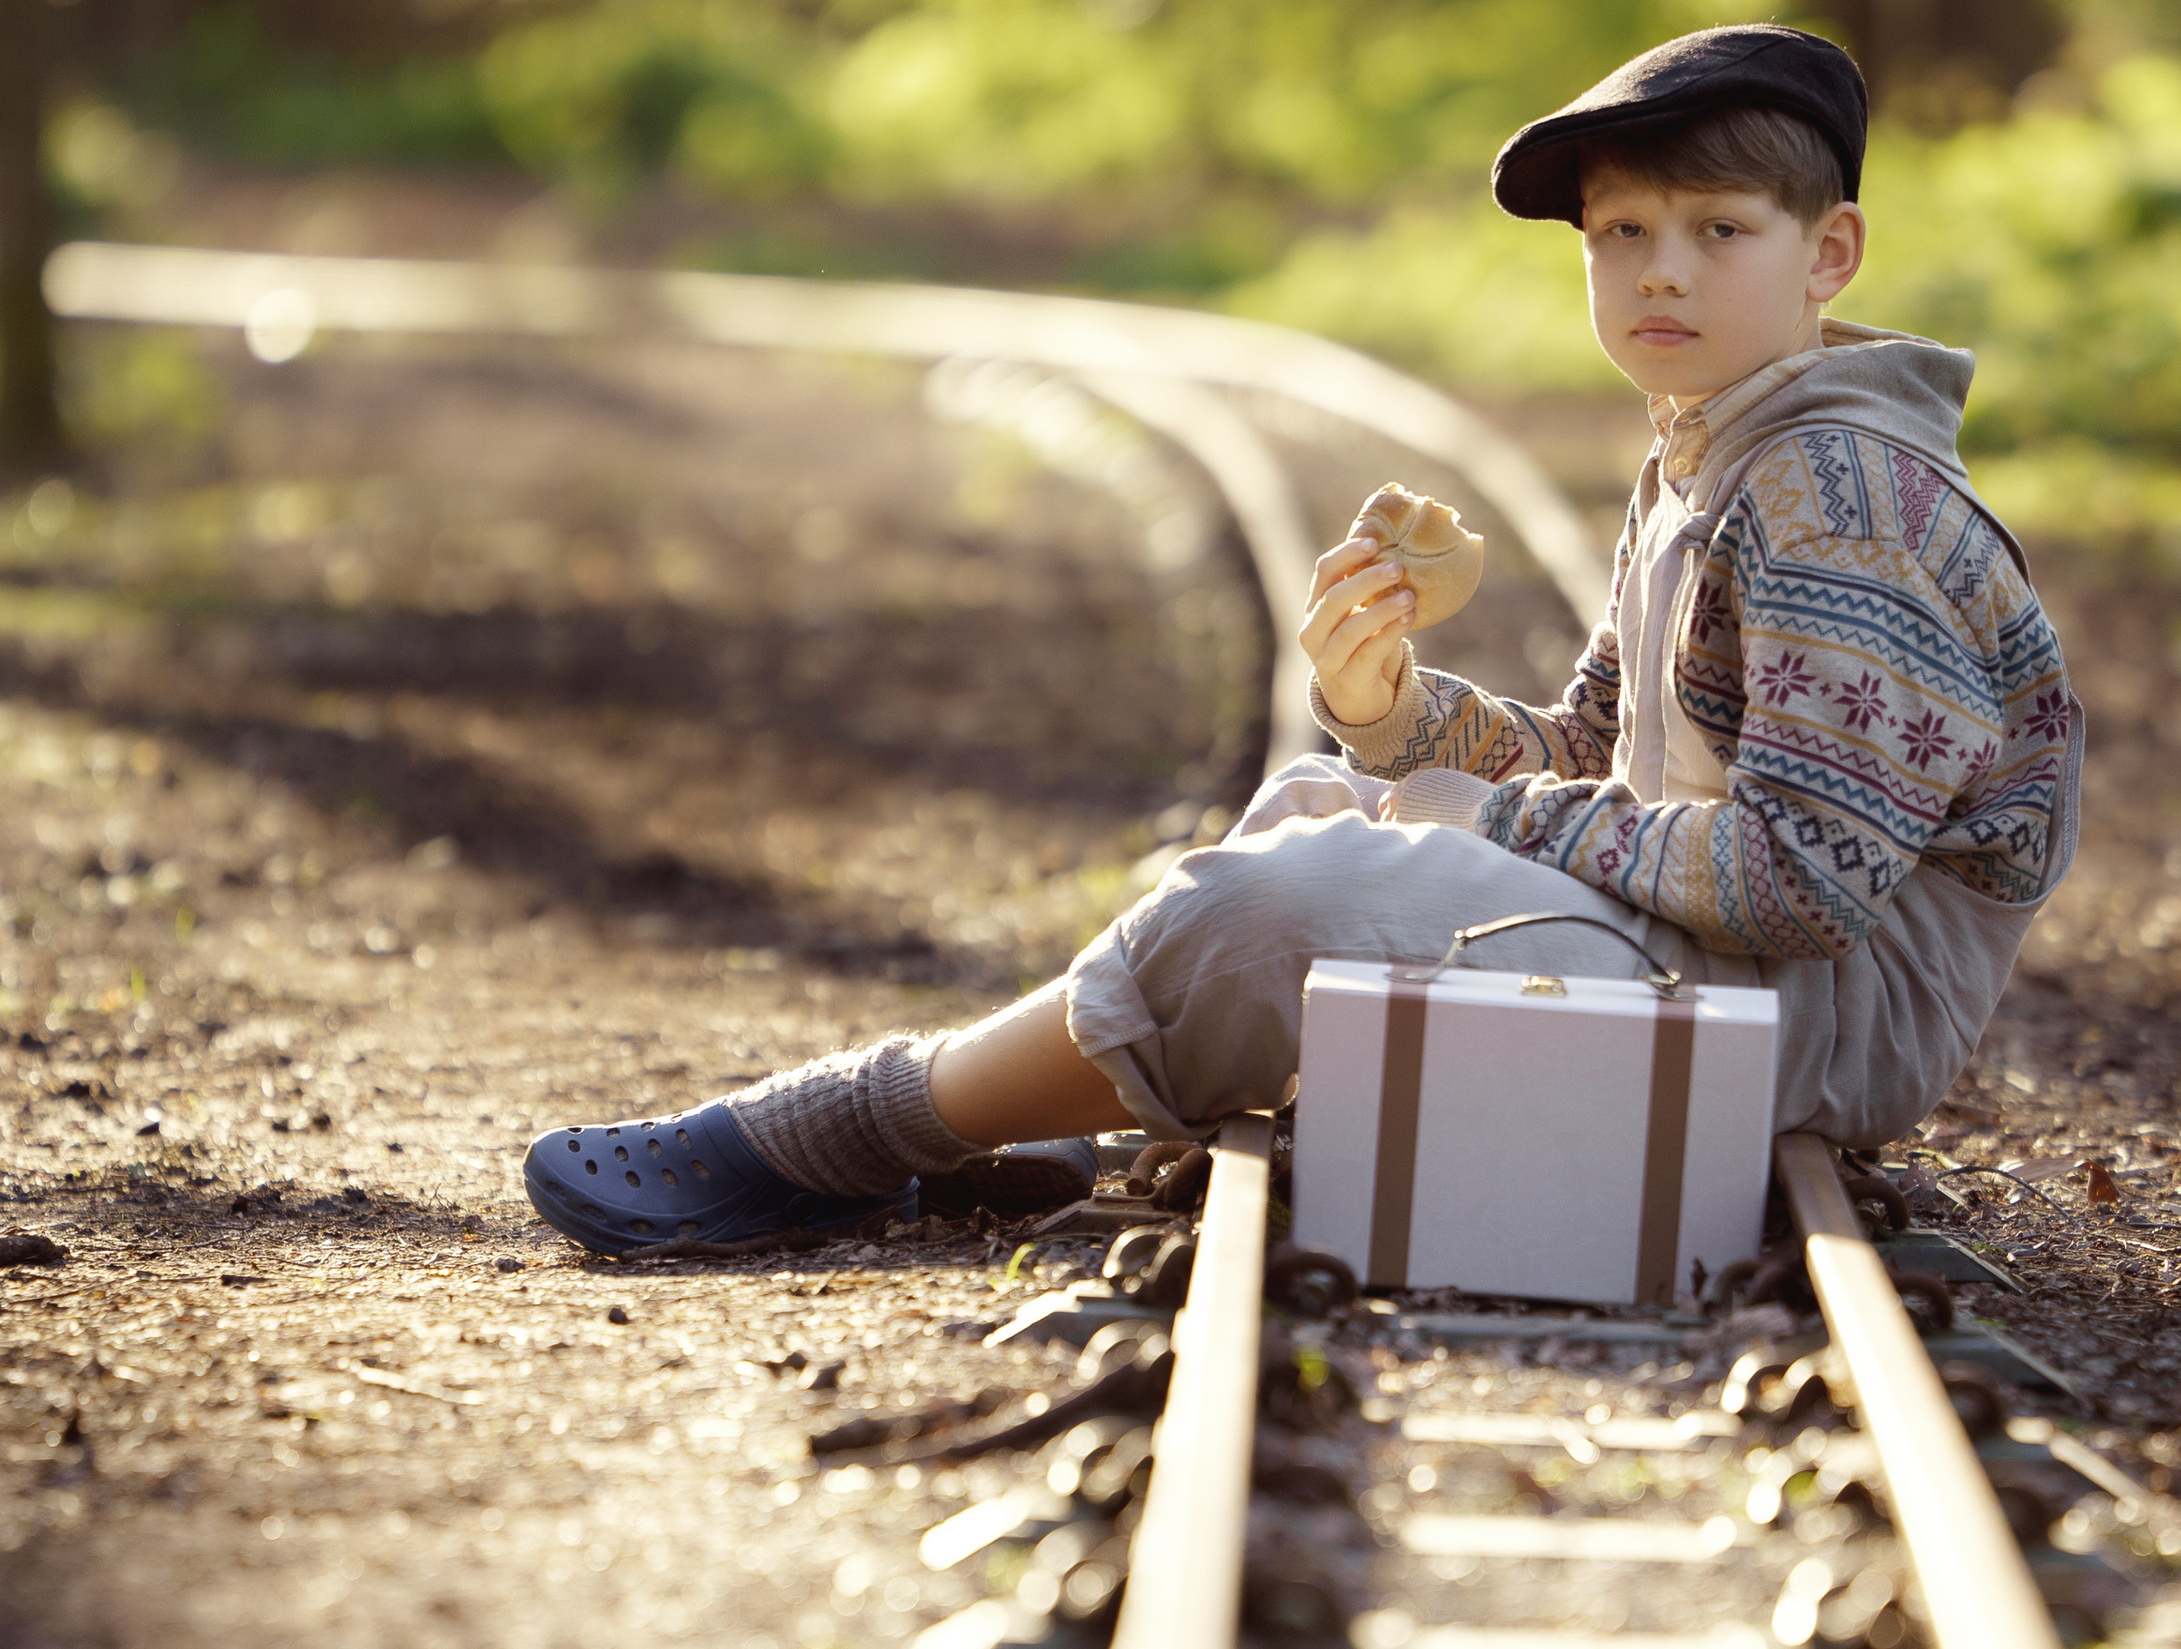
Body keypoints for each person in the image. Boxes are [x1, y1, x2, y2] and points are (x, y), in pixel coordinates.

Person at [521, 21, 2081, 1259]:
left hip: (1816, 1023)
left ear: (1829, 255)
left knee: (1298, 900)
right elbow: (1599, 758)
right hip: (1737, 974)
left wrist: (1477, 814)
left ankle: (858, 1133)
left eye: (1719, 228)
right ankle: (1035, 1105)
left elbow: (1805, 883)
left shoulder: (1837, 494)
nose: (1660, 268)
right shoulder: (1712, 452)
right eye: (1621, 231)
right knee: (1322, 803)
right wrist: (1396, 717)